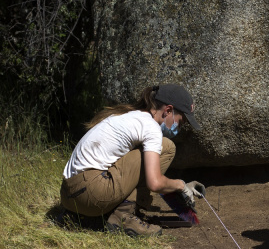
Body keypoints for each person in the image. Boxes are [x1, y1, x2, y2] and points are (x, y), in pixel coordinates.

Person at [60, 84, 205, 236]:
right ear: (168, 110)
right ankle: (124, 216)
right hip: (90, 194)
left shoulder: (131, 117)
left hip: (70, 196)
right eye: (180, 122)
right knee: (167, 147)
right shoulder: (150, 128)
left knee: (155, 150)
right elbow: (154, 182)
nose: (178, 128)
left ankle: (86, 216)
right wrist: (180, 185)